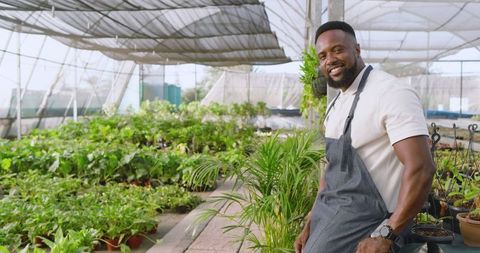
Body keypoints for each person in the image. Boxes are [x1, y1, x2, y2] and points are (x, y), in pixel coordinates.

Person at [294, 21, 435, 253]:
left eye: (337, 49)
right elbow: (332, 170)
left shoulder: (391, 92)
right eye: (322, 56)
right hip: (333, 212)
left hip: (372, 219)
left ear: (357, 50)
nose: (329, 60)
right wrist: (312, 219)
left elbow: (421, 168)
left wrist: (387, 233)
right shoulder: (335, 104)